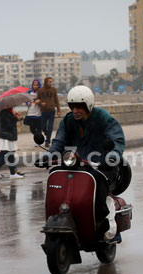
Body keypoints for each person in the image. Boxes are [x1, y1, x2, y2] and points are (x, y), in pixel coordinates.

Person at [46, 85, 125, 243]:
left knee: (98, 181)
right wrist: (48, 155)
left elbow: (117, 139)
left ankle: (105, 225)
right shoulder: (68, 120)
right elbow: (59, 141)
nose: (75, 111)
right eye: (72, 107)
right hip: (76, 163)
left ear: (88, 105)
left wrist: (112, 156)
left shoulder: (102, 117)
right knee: (56, 175)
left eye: (79, 107)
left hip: (103, 166)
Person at [0, 108, 25, 179]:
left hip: (6, 136)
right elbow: (9, 126)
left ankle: (12, 173)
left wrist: (14, 116)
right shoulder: (5, 113)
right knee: (8, 154)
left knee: (7, 153)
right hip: (7, 136)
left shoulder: (5, 112)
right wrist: (15, 118)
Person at [35, 77, 60, 147]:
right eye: (49, 81)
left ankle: (47, 141)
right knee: (43, 126)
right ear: (46, 82)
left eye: (51, 82)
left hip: (52, 110)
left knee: (50, 126)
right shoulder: (40, 90)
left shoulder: (54, 90)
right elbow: (37, 99)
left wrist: (58, 110)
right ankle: (47, 134)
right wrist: (41, 103)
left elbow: (57, 100)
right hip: (43, 111)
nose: (51, 83)